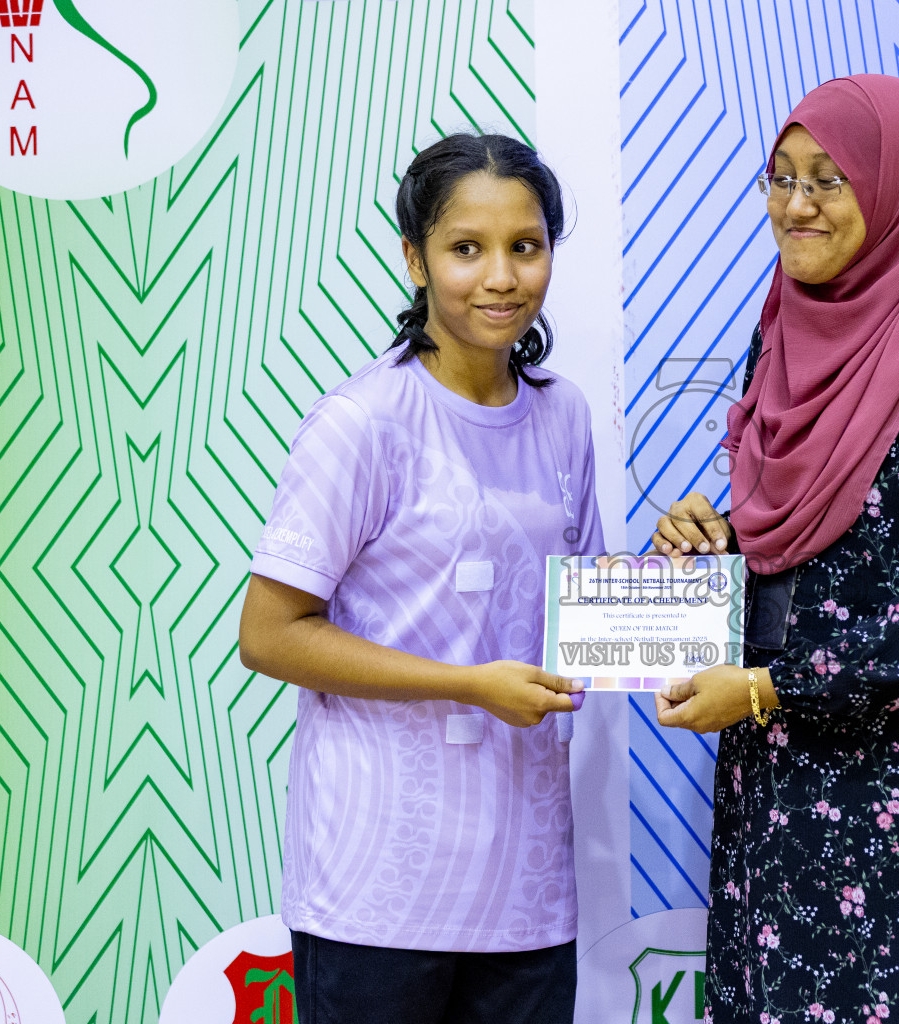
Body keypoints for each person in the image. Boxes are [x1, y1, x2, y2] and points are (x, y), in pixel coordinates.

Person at [652, 75, 899, 1022]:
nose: (796, 205)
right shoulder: (783, 329)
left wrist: (768, 688)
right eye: (780, 177)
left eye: (831, 180)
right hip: (782, 778)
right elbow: (797, 533)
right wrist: (710, 539)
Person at [237, 132, 602, 1024]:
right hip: (378, 890)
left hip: (527, 888)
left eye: (526, 246)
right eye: (466, 248)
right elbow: (269, 634)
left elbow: (584, 618)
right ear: (415, 257)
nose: (502, 277)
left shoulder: (563, 416)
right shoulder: (365, 421)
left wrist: (683, 564)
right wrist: (466, 686)